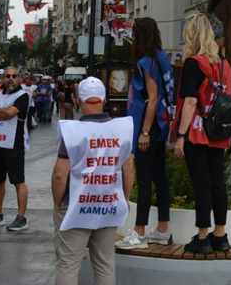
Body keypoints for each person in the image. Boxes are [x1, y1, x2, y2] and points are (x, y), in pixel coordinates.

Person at [52, 77, 134, 285]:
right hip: (108, 203)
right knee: (105, 264)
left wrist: (57, 203)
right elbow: (128, 169)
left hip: (75, 205)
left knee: (68, 264)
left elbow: (60, 174)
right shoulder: (122, 129)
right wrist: (125, 198)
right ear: (104, 100)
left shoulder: (73, 132)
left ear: (78, 100)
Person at [173, 14, 231, 255]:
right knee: (217, 182)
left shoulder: (192, 64)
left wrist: (180, 136)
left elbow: (189, 102)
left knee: (202, 184)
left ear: (191, 35)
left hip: (197, 132)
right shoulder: (224, 64)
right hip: (219, 130)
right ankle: (220, 235)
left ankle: (202, 238)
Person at [117, 17, 174, 250]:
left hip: (148, 125)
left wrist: (145, 131)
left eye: (134, 33)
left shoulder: (146, 62)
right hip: (162, 123)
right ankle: (162, 230)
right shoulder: (161, 57)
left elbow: (152, 98)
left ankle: (139, 232)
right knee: (159, 176)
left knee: (144, 178)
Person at [0, 67, 30, 230]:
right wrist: (2, 113)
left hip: (14, 144)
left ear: (19, 78)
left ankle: (21, 218)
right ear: (2, 78)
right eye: (7, 76)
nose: (10, 78)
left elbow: (10, 113)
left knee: (18, 181)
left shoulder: (23, 95)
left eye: (14, 76)